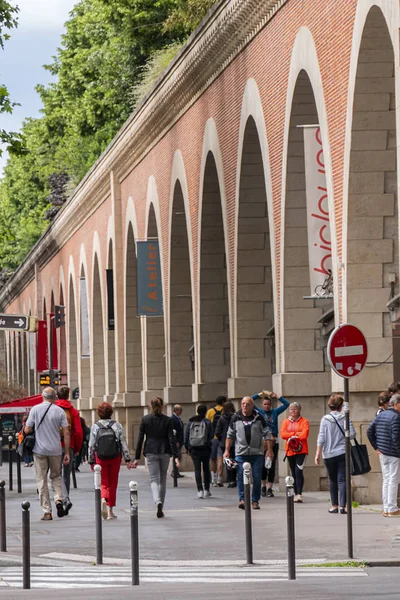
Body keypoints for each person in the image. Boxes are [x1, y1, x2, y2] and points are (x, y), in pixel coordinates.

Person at [24, 387, 70, 521]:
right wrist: (66, 452)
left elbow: (27, 429)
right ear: (55, 397)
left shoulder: (35, 409)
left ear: (42, 396)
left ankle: (47, 511)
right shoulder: (60, 411)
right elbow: (66, 433)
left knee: (42, 480)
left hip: (39, 450)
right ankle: (58, 500)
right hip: (55, 450)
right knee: (56, 476)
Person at [224, 396, 273, 510]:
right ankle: (242, 499)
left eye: (247, 404)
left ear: (252, 405)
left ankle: (255, 500)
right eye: (243, 403)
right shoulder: (236, 417)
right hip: (241, 453)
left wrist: (269, 450)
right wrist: (226, 450)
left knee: (256, 477)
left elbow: (267, 434)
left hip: (257, 453)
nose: (245, 406)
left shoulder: (259, 417)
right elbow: (230, 435)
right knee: (241, 476)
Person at [89, 402, 134, 520]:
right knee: (113, 484)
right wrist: (127, 459)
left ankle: (104, 498)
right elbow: (122, 443)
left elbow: (91, 445)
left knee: (103, 482)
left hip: (100, 457)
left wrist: (91, 461)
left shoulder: (95, 426)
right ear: (110, 413)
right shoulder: (117, 425)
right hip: (115, 457)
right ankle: (110, 511)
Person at [134, 397, 178, 518]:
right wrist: (176, 455)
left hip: (151, 450)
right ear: (162, 406)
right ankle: (161, 506)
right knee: (162, 479)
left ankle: (157, 500)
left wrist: (137, 457)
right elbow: (171, 438)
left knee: (154, 478)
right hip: (165, 451)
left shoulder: (145, 419)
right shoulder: (168, 420)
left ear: (150, 406)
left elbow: (140, 438)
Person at [315, 394, 356, 514]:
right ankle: (343, 506)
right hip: (343, 452)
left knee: (332, 480)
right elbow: (352, 435)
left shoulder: (325, 419)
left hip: (328, 454)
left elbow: (321, 437)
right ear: (341, 406)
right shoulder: (346, 418)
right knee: (343, 480)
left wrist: (317, 453)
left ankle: (334, 505)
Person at [252, 389, 290, 497]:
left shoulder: (275, 412)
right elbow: (249, 400)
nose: (267, 406)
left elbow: (287, 404)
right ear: (262, 405)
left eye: (268, 404)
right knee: (263, 464)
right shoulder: (259, 412)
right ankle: (263, 486)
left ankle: (270, 488)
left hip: (274, 440)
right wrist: (259, 394)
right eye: (265, 404)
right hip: (263, 441)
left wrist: (277, 396)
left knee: (272, 464)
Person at [367, 394, 400, 517]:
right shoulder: (395, 417)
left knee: (386, 480)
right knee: (393, 480)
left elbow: (369, 431)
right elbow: (396, 438)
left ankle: (386, 507)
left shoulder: (382, 415)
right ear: (395, 404)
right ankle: (392, 508)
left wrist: (377, 447)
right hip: (393, 453)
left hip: (383, 453)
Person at [56, 385, 83, 515]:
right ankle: (66, 500)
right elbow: (78, 432)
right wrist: (77, 448)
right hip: (69, 445)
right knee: (66, 474)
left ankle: (62, 499)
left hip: (54, 445)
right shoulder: (73, 411)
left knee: (57, 473)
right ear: (68, 396)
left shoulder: (53, 408)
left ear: (57, 395)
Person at [280, 402, 309, 503]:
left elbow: (304, 435)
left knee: (298, 471)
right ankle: (295, 493)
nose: (293, 411)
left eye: (295, 409)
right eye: (291, 409)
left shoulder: (304, 421)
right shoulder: (285, 422)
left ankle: (299, 494)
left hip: (302, 450)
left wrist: (291, 435)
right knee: (293, 471)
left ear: (299, 410)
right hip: (290, 450)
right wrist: (295, 434)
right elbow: (283, 434)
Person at [185, 404, 213, 498]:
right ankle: (207, 490)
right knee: (206, 469)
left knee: (197, 469)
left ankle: (199, 490)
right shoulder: (207, 422)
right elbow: (211, 435)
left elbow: (186, 436)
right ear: (205, 412)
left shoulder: (190, 422)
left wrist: (187, 447)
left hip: (194, 449)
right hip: (205, 448)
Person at [215, 401, 236, 488]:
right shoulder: (235, 417)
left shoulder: (221, 418)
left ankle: (230, 479)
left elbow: (217, 432)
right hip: (234, 442)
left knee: (228, 461)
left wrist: (221, 439)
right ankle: (233, 479)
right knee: (234, 460)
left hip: (224, 443)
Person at [206, 396, 226, 487]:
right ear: (223, 402)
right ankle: (219, 479)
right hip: (222, 439)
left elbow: (206, 424)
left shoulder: (210, 411)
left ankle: (213, 479)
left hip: (213, 439)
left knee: (212, 459)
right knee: (220, 459)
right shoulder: (225, 411)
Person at [171, 404, 184, 478]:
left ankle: (176, 471)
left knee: (178, 456)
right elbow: (173, 431)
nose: (181, 411)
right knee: (177, 456)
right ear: (175, 410)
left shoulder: (178, 418)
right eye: (180, 410)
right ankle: (174, 472)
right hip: (176, 441)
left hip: (180, 440)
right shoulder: (172, 419)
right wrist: (176, 441)